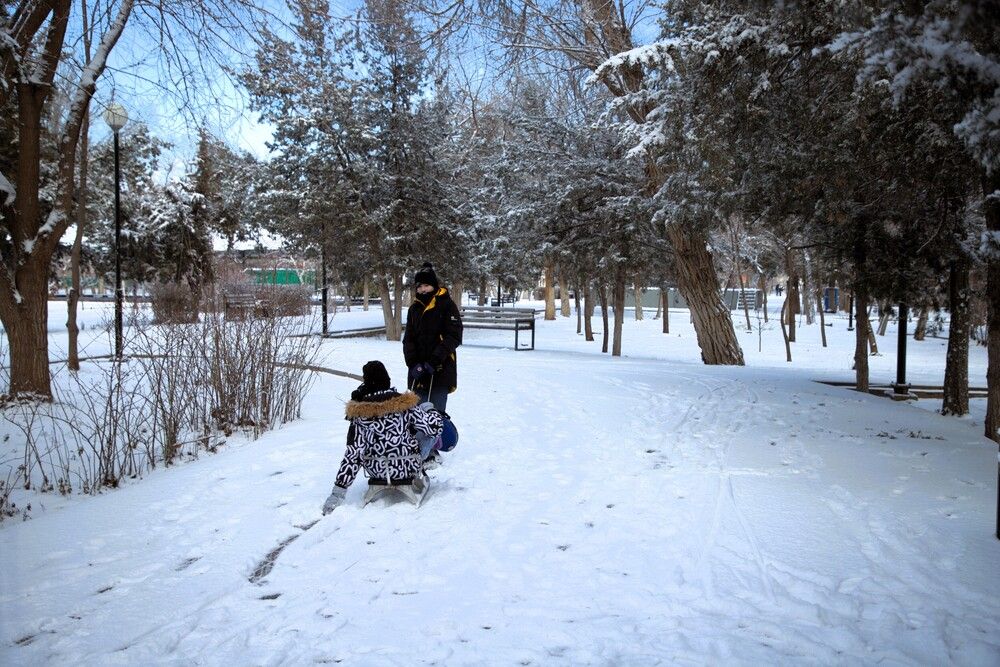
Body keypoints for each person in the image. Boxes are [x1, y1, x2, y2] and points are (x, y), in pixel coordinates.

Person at [322, 361, 442, 514]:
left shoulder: (360, 414)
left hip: (376, 470)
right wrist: (432, 412)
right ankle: (428, 459)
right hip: (407, 466)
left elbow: (353, 455)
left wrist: (337, 493)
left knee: (358, 448)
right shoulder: (405, 405)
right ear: (387, 379)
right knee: (429, 427)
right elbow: (434, 428)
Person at [403, 262, 463, 414]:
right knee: (416, 418)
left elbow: (454, 336)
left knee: (436, 417)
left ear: (434, 285)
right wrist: (412, 363)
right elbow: (408, 339)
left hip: (440, 370)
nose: (422, 290)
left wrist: (434, 361)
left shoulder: (447, 305)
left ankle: (438, 439)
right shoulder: (414, 309)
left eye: (426, 285)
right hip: (418, 372)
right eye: (419, 286)